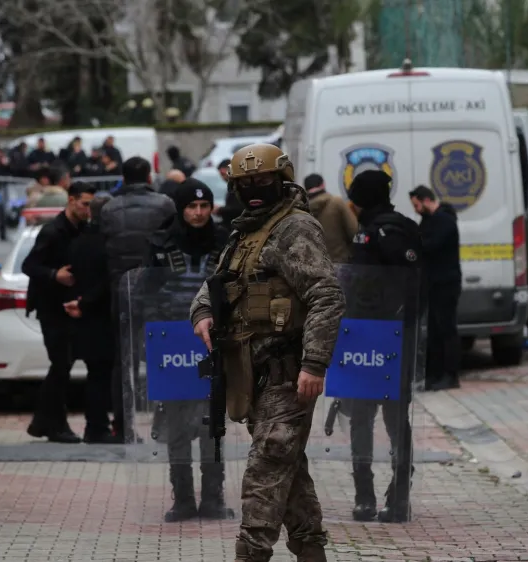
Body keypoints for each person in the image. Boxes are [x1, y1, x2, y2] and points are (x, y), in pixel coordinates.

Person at [190, 143, 344, 562]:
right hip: (248, 373)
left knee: (267, 464)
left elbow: (325, 295)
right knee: (287, 470)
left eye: (263, 181)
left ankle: (250, 554)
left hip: (288, 373)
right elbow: (216, 284)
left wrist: (314, 363)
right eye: (245, 183)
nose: (255, 189)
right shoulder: (246, 231)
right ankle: (311, 551)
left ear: (282, 179)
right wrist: (202, 312)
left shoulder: (295, 228)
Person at [144, 179, 233, 522]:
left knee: (212, 426)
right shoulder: (161, 243)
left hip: (215, 347)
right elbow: (146, 294)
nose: (198, 213)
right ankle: (182, 498)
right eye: (192, 207)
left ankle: (212, 497)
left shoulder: (226, 242)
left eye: (204, 206)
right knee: (178, 428)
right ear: (181, 209)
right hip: (173, 348)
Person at [343, 170, 420, 523]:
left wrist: (401, 326)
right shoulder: (370, 228)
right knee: (361, 416)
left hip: (388, 338)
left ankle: (398, 495)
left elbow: (412, 286)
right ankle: (364, 495)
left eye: (355, 199)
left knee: (391, 418)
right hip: (361, 337)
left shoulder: (391, 231)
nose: (352, 206)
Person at [99, 156, 176, 442]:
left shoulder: (108, 209)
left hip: (121, 291)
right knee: (163, 357)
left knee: (123, 362)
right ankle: (164, 422)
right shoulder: (165, 205)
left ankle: (123, 426)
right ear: (148, 175)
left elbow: (103, 248)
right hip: (158, 291)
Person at [21, 182, 98, 443]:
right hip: (50, 308)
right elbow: (29, 265)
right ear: (71, 200)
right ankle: (55, 423)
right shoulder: (52, 232)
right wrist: (55, 275)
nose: (88, 210)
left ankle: (43, 421)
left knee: (63, 364)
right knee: (61, 364)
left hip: (71, 308)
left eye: (91, 205)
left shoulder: (83, 230)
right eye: (84, 204)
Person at [64, 191, 118, 443]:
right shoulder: (108, 244)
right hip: (103, 316)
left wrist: (80, 301)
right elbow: (108, 281)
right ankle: (98, 427)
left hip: (84, 318)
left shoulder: (79, 241)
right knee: (104, 376)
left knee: (95, 374)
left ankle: (94, 425)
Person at [409, 185, 462, 391]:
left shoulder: (444, 221)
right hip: (432, 283)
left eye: (416, 205)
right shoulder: (430, 220)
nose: (416, 209)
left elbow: (429, 245)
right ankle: (434, 374)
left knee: (445, 330)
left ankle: (450, 374)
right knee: (433, 331)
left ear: (426, 200)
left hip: (445, 284)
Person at [303, 173, 357, 262]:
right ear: (323, 184)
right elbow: (354, 232)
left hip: (312, 267)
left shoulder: (301, 209)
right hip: (338, 265)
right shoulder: (337, 203)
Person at [215, 158, 244, 225]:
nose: (223, 177)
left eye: (223, 174)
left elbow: (239, 209)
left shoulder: (240, 186)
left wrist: (220, 210)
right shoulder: (232, 187)